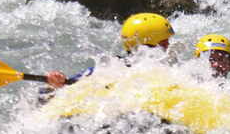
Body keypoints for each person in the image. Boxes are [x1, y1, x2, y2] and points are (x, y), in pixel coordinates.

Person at [43, 13, 175, 94]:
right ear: (145, 45)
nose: (168, 47)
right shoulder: (109, 69)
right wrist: (52, 86)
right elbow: (47, 100)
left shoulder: (171, 72)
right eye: (163, 43)